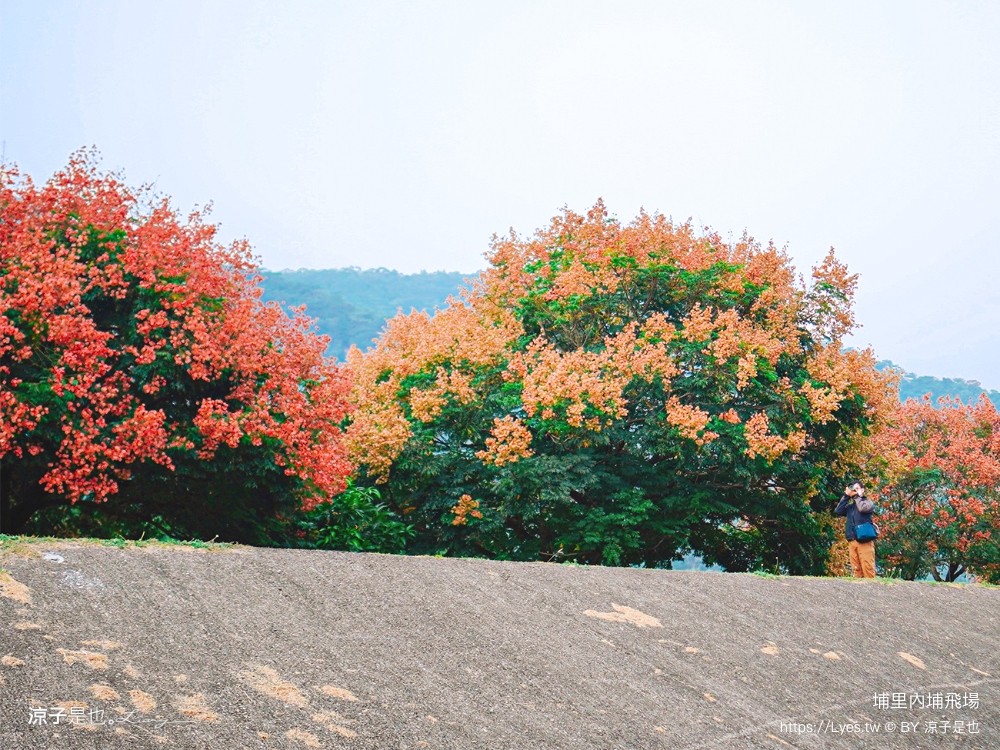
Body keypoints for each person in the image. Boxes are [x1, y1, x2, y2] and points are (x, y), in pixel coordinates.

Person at [834, 481, 877, 578]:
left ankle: (871, 590)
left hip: (865, 541)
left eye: (857, 489)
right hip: (852, 541)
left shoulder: (868, 503)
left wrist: (856, 496)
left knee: (868, 569)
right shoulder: (851, 507)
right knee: (856, 570)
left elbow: (862, 509)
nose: (855, 491)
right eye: (854, 489)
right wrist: (846, 496)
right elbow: (838, 510)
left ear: (862, 490)